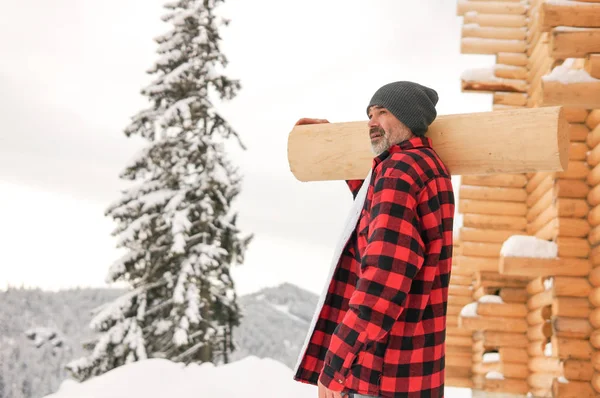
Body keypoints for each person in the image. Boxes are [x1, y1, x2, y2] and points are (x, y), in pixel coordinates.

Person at [292, 81, 455, 398]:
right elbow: (374, 214)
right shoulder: (426, 167)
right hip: (414, 371)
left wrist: (335, 365)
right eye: (369, 113)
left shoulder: (399, 172)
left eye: (382, 112)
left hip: (380, 374)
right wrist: (330, 142)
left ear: (409, 118)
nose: (371, 121)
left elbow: (383, 280)